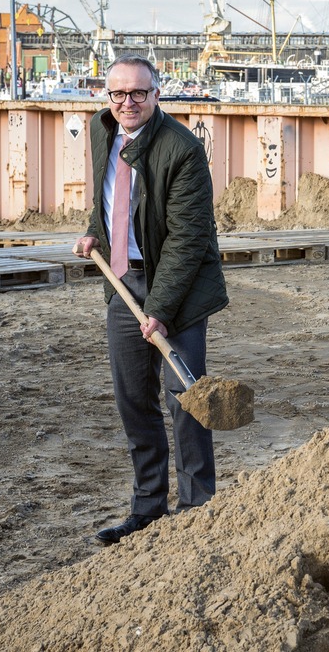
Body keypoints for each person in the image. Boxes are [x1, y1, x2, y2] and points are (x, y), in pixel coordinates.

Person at [73, 53, 228, 545]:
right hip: (123, 281)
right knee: (133, 399)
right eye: (118, 93)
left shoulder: (182, 149)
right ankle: (147, 508)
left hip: (177, 287)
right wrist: (95, 235)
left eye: (138, 92)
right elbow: (109, 198)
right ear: (108, 96)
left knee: (186, 398)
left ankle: (197, 506)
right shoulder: (104, 131)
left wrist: (160, 310)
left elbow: (188, 239)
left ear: (157, 94)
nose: (128, 102)